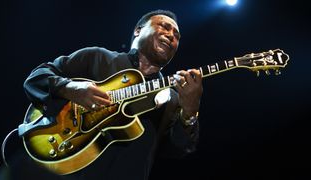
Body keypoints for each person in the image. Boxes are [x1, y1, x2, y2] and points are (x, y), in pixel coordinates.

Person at [22, 9, 203, 180]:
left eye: (177, 36)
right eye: (164, 26)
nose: (171, 35)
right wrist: (70, 88)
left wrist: (189, 113)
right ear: (138, 31)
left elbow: (177, 149)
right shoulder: (98, 57)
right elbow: (37, 78)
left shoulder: (172, 98)